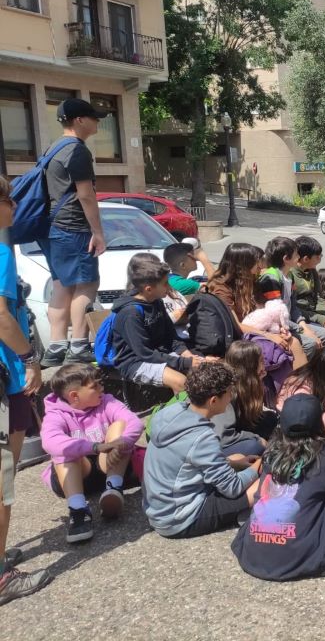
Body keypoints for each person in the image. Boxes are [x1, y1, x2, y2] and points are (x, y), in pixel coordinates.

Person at [230, 394, 325, 581]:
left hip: (255, 554)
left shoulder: (271, 453)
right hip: (301, 554)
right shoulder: (324, 453)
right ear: (318, 423)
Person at [0, 174, 50, 603]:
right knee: (2, 478)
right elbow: (1, 315)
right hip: (4, 378)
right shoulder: (0, 253)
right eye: (9, 200)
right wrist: (30, 358)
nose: (14, 207)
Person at [143, 363, 262, 538]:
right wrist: (259, 466)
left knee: (237, 457)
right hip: (180, 519)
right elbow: (233, 487)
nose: (231, 397)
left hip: (159, 510)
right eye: (229, 392)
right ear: (213, 400)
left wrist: (236, 463)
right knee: (262, 484)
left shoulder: (169, 413)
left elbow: (187, 457)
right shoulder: (202, 437)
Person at [38, 99, 108, 367]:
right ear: (79, 120)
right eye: (94, 117)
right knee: (87, 284)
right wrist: (97, 232)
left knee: (62, 286)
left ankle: (56, 347)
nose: (97, 121)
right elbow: (86, 195)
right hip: (74, 226)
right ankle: (79, 345)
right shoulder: (77, 150)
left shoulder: (53, 148)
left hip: (53, 227)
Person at [40, 364, 143, 542]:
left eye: (100, 383)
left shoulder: (107, 401)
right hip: (76, 476)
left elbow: (134, 422)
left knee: (121, 425)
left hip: (110, 465)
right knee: (65, 451)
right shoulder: (55, 414)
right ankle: (78, 510)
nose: (102, 388)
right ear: (74, 396)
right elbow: (50, 441)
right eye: (95, 386)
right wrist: (94, 447)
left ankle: (113, 489)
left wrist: (122, 442)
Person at [111, 257, 202, 394]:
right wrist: (184, 363)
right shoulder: (130, 314)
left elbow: (171, 337)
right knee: (181, 382)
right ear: (149, 289)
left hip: (159, 354)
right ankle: (182, 408)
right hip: (135, 362)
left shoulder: (156, 301)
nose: (169, 286)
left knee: (201, 374)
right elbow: (145, 353)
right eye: (165, 283)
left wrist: (189, 357)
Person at [214, 341, 279, 458]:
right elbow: (224, 437)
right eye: (261, 361)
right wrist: (256, 438)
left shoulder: (245, 383)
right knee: (255, 446)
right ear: (249, 366)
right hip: (217, 443)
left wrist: (258, 382)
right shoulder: (226, 391)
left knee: (271, 419)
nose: (264, 365)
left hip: (236, 426)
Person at [290, 236, 325, 336]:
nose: (320, 259)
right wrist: (321, 319)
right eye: (318, 257)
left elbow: (318, 296)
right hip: (302, 317)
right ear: (306, 259)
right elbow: (293, 307)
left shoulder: (312, 271)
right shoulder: (290, 275)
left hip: (314, 312)